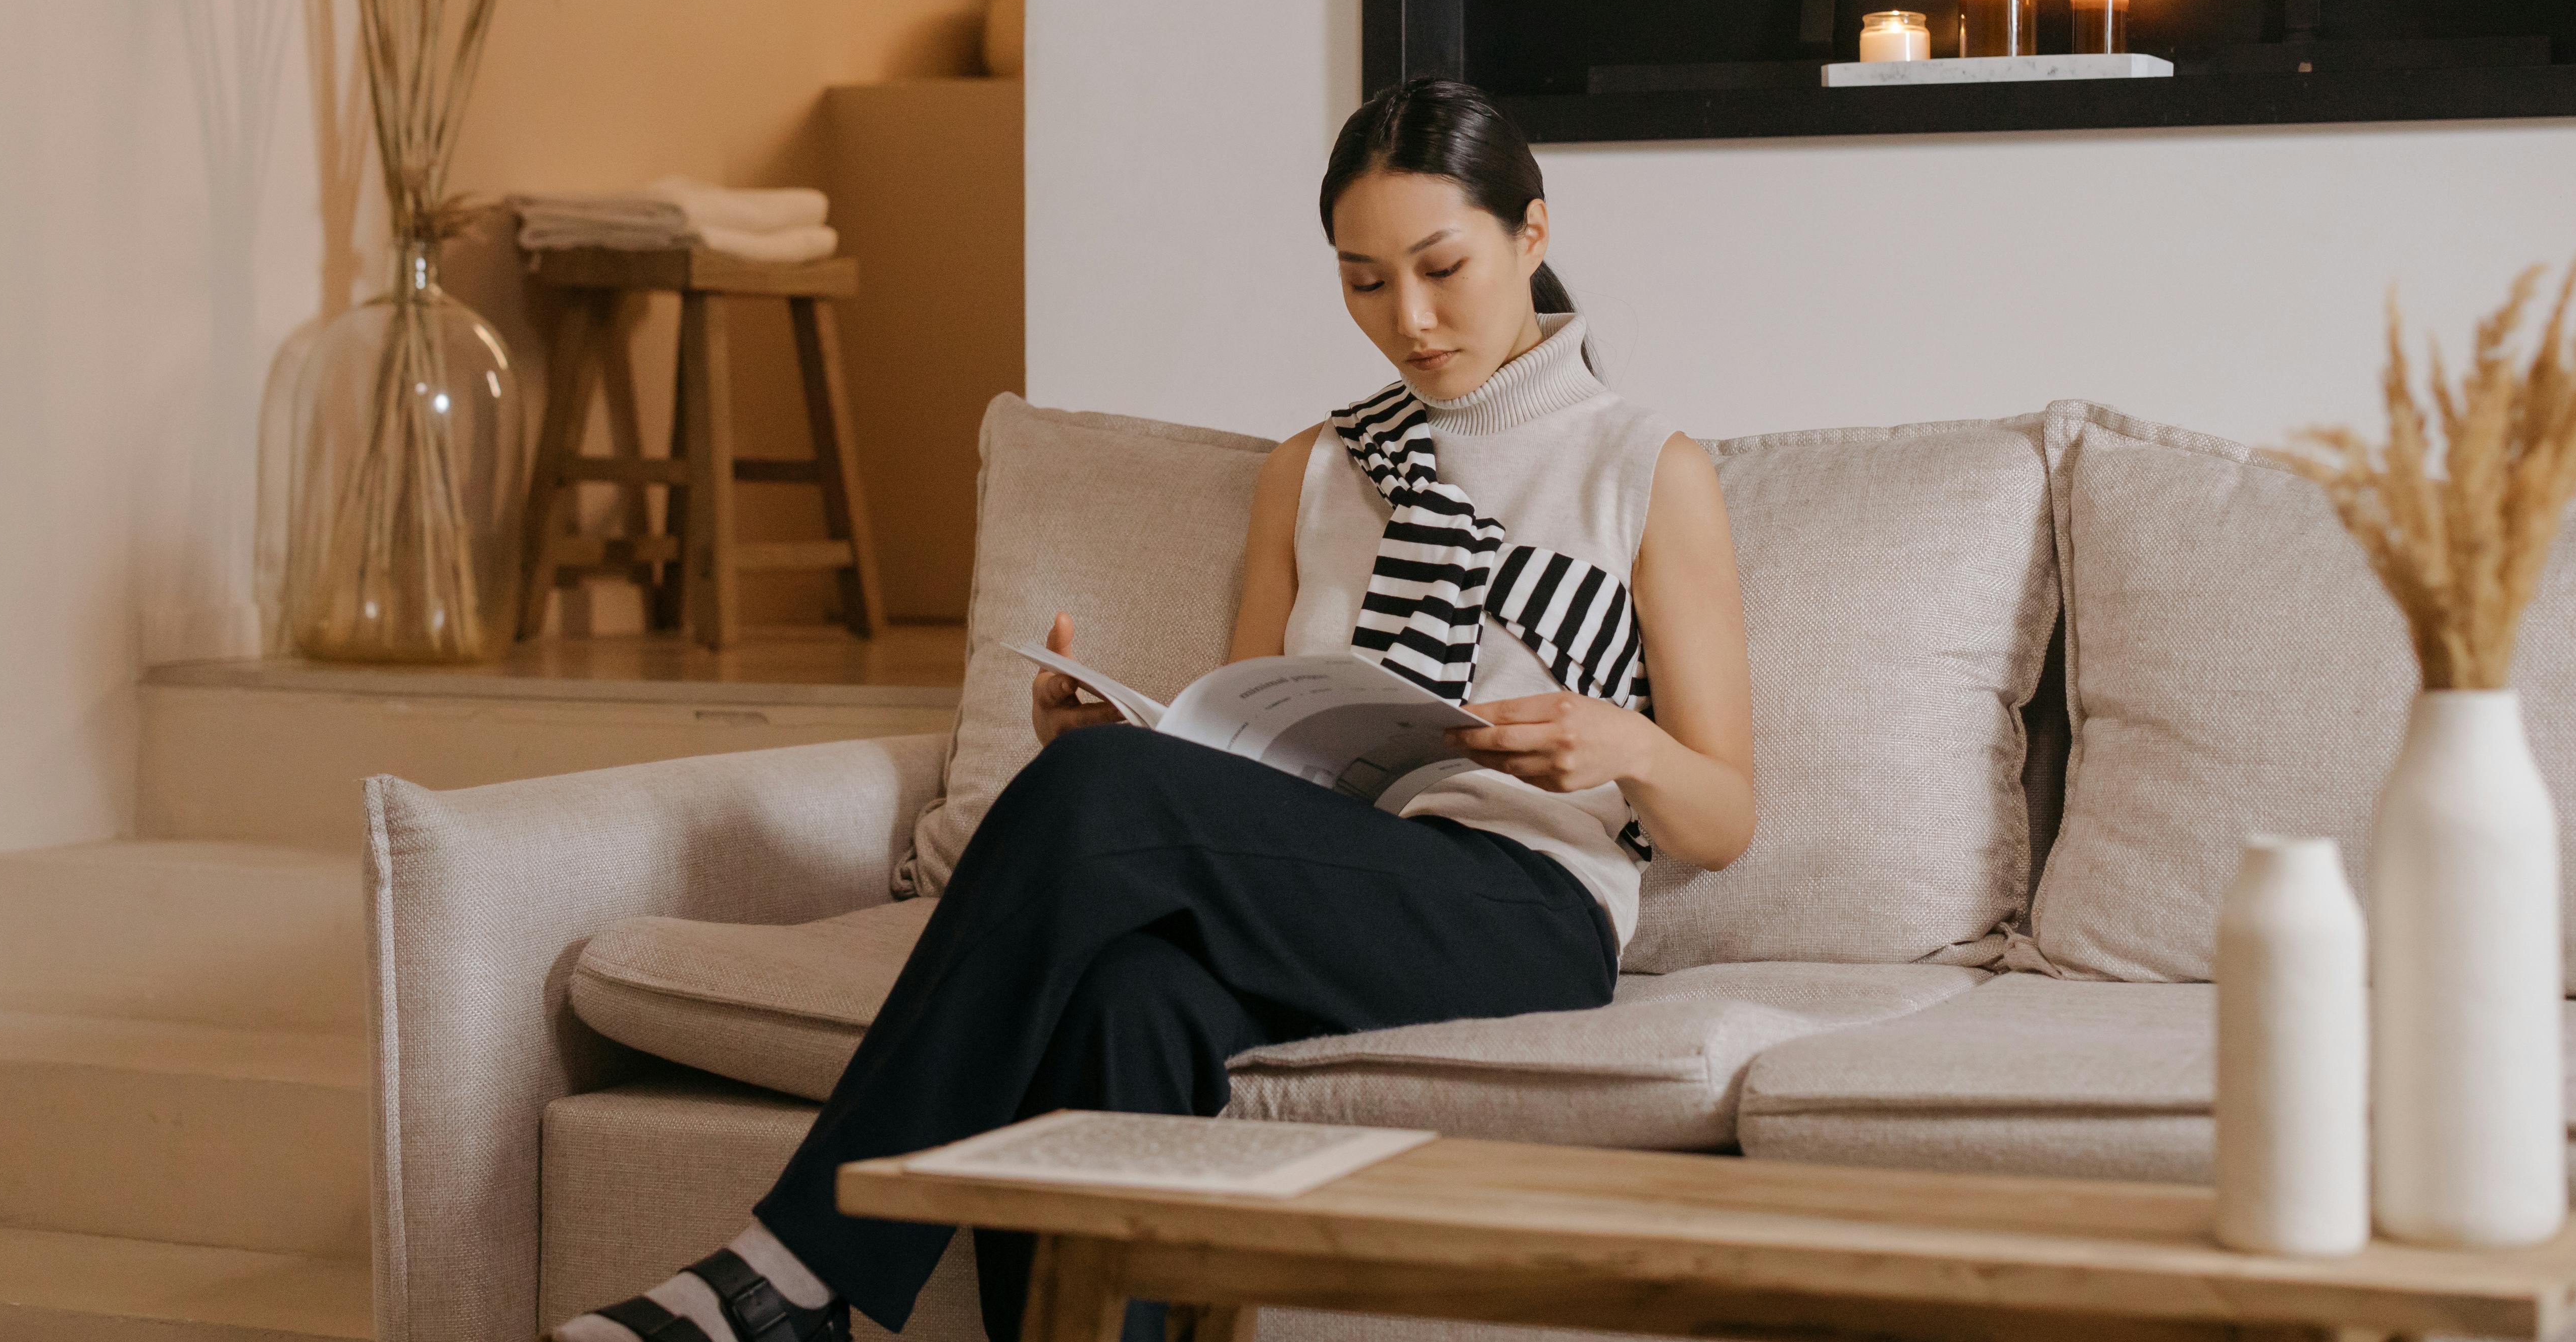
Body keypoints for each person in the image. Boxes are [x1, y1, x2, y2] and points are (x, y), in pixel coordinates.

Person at [554, 78, 1756, 1342]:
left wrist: (1620, 742)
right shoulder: (1315, 468)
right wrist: (1121, 752)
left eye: (1441, 266)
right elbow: (1241, 740)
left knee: (1101, 806)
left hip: (1518, 908)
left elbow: (1724, 812)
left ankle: (789, 1277)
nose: (1406, 319)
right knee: (1126, 992)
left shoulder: (1646, 469)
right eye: (1361, 280)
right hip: (1317, 881)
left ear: (1532, 234)